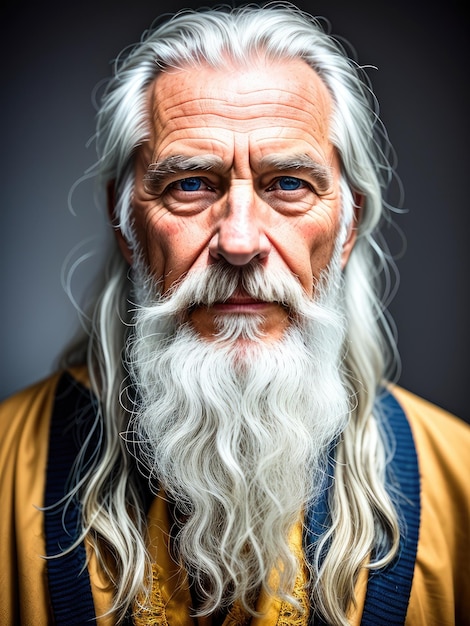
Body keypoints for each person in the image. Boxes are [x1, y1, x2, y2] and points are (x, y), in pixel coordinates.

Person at [1, 3, 469, 625]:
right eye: (190, 184)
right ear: (126, 222)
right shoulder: (7, 467)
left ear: (349, 222)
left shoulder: (460, 486)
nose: (241, 241)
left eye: (288, 184)